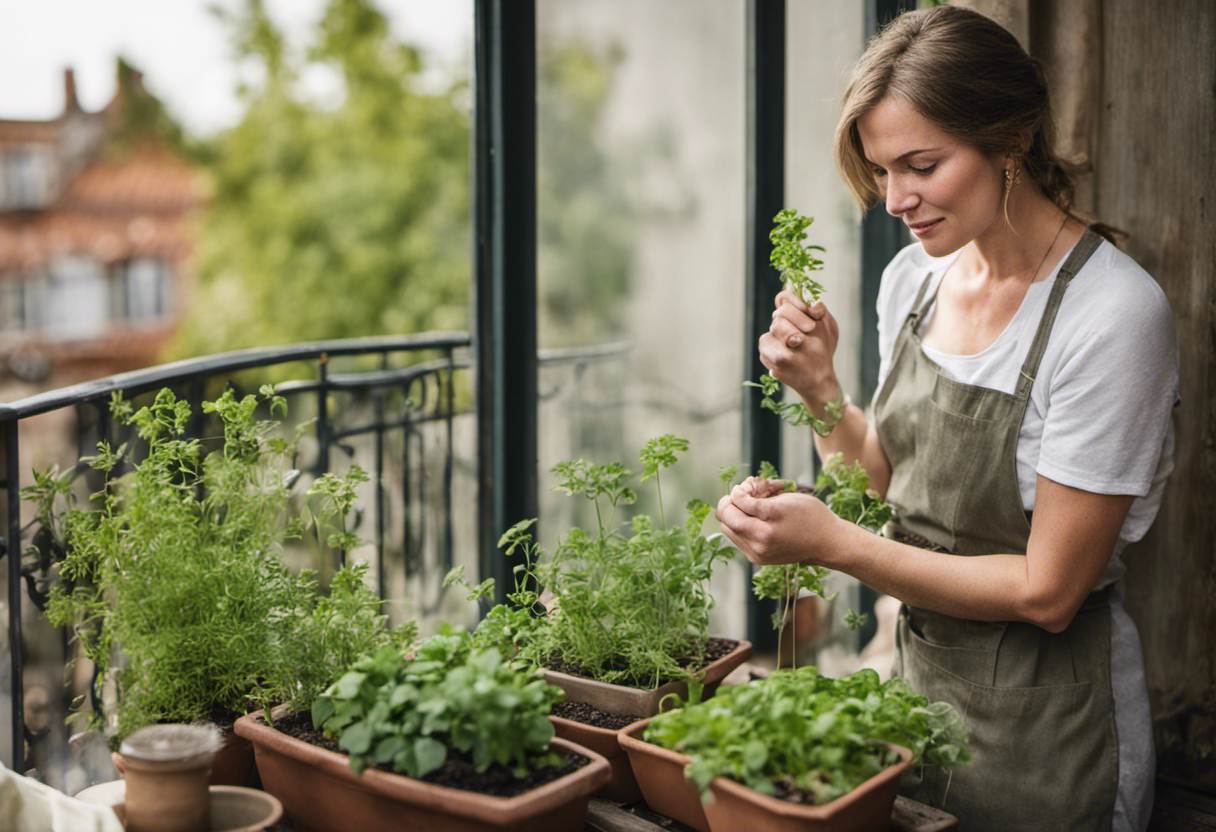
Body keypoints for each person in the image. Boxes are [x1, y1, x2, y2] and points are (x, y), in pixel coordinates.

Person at [715, 6, 1178, 832]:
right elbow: (888, 483)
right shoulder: (913, 282)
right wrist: (823, 395)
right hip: (912, 700)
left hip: (1048, 736)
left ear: (1010, 139)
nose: (894, 198)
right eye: (881, 170)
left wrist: (830, 543)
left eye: (920, 164)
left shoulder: (1112, 315)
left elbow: (1048, 590)